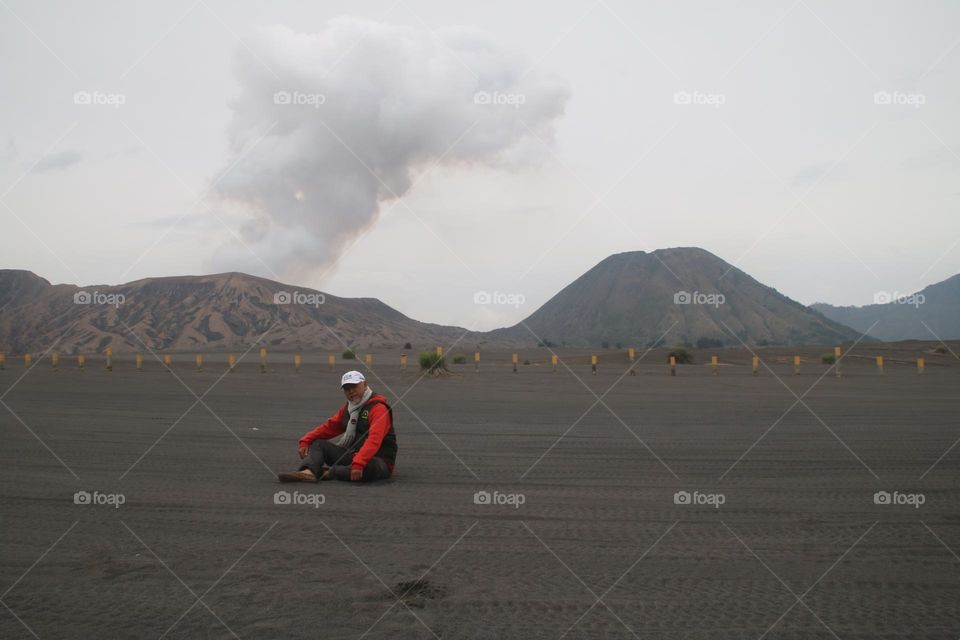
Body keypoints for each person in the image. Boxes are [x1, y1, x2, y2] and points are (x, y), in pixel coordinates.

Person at [278, 371, 397, 483]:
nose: (351, 391)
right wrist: (305, 440)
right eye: (347, 389)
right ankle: (309, 472)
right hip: (354, 456)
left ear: (365, 384)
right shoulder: (349, 409)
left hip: (379, 461)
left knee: (368, 467)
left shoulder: (378, 408)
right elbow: (329, 427)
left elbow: (374, 439)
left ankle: (327, 473)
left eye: (354, 386)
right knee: (319, 444)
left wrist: (359, 463)